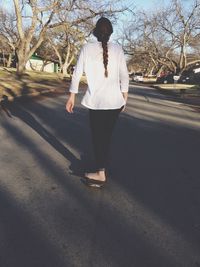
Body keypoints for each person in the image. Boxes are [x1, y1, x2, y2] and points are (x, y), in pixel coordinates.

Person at [66, 17, 129, 188]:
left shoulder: (86, 48)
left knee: (98, 138)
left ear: (95, 32)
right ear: (110, 33)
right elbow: (124, 75)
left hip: (97, 103)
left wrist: (72, 96)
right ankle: (102, 169)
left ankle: (101, 173)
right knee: (106, 138)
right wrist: (124, 97)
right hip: (115, 102)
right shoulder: (118, 49)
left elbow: (77, 73)